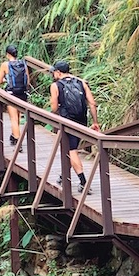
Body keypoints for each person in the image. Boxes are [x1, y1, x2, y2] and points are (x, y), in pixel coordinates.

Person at [50, 60, 100, 193]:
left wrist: (52, 114)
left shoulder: (56, 86)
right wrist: (95, 122)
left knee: (72, 151)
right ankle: (63, 175)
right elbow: (92, 103)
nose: (53, 74)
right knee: (71, 149)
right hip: (81, 120)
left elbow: (54, 108)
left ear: (58, 72)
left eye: (54, 72)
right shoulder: (81, 82)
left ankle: (83, 182)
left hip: (68, 122)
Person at [0, 45, 29, 147]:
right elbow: (27, 80)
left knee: (13, 118)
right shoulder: (23, 64)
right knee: (18, 116)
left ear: (7, 54)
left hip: (12, 93)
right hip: (22, 93)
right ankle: (14, 135)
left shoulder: (5, 65)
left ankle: (17, 141)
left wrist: (5, 80)